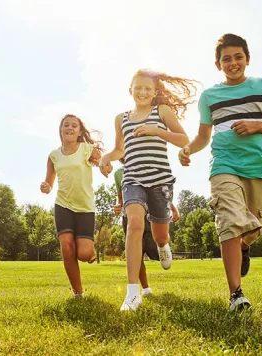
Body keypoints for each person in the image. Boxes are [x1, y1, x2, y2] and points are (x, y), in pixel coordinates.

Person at [179, 34, 262, 311]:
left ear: (247, 59)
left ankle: (244, 245)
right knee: (229, 222)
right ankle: (236, 294)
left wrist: (255, 125)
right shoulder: (210, 96)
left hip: (257, 167)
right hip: (224, 165)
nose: (233, 62)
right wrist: (188, 149)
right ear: (218, 65)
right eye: (226, 58)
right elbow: (203, 136)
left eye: (238, 57)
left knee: (255, 224)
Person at [99, 69, 197, 311]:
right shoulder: (120, 118)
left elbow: (184, 140)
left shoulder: (161, 111)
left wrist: (156, 131)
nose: (142, 92)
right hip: (133, 179)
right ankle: (133, 293)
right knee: (134, 223)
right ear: (130, 89)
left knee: (159, 235)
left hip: (160, 181)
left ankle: (163, 246)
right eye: (138, 87)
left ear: (155, 92)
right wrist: (106, 158)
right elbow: (120, 150)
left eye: (148, 88)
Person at [41, 114, 102, 297]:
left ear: (80, 131)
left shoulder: (87, 148)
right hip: (63, 205)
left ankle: (88, 250)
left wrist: (104, 166)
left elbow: (101, 162)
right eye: (66, 125)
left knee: (83, 254)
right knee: (67, 248)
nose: (69, 128)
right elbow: (49, 184)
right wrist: (46, 187)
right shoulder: (53, 156)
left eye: (74, 125)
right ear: (61, 130)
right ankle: (78, 292)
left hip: (85, 207)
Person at [113, 160, 180, 296]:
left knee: (154, 250)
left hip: (149, 216)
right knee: (137, 253)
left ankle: (163, 244)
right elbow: (120, 196)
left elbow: (157, 193)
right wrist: (117, 205)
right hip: (130, 218)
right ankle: (145, 288)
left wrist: (173, 208)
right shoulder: (118, 173)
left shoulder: (145, 165)